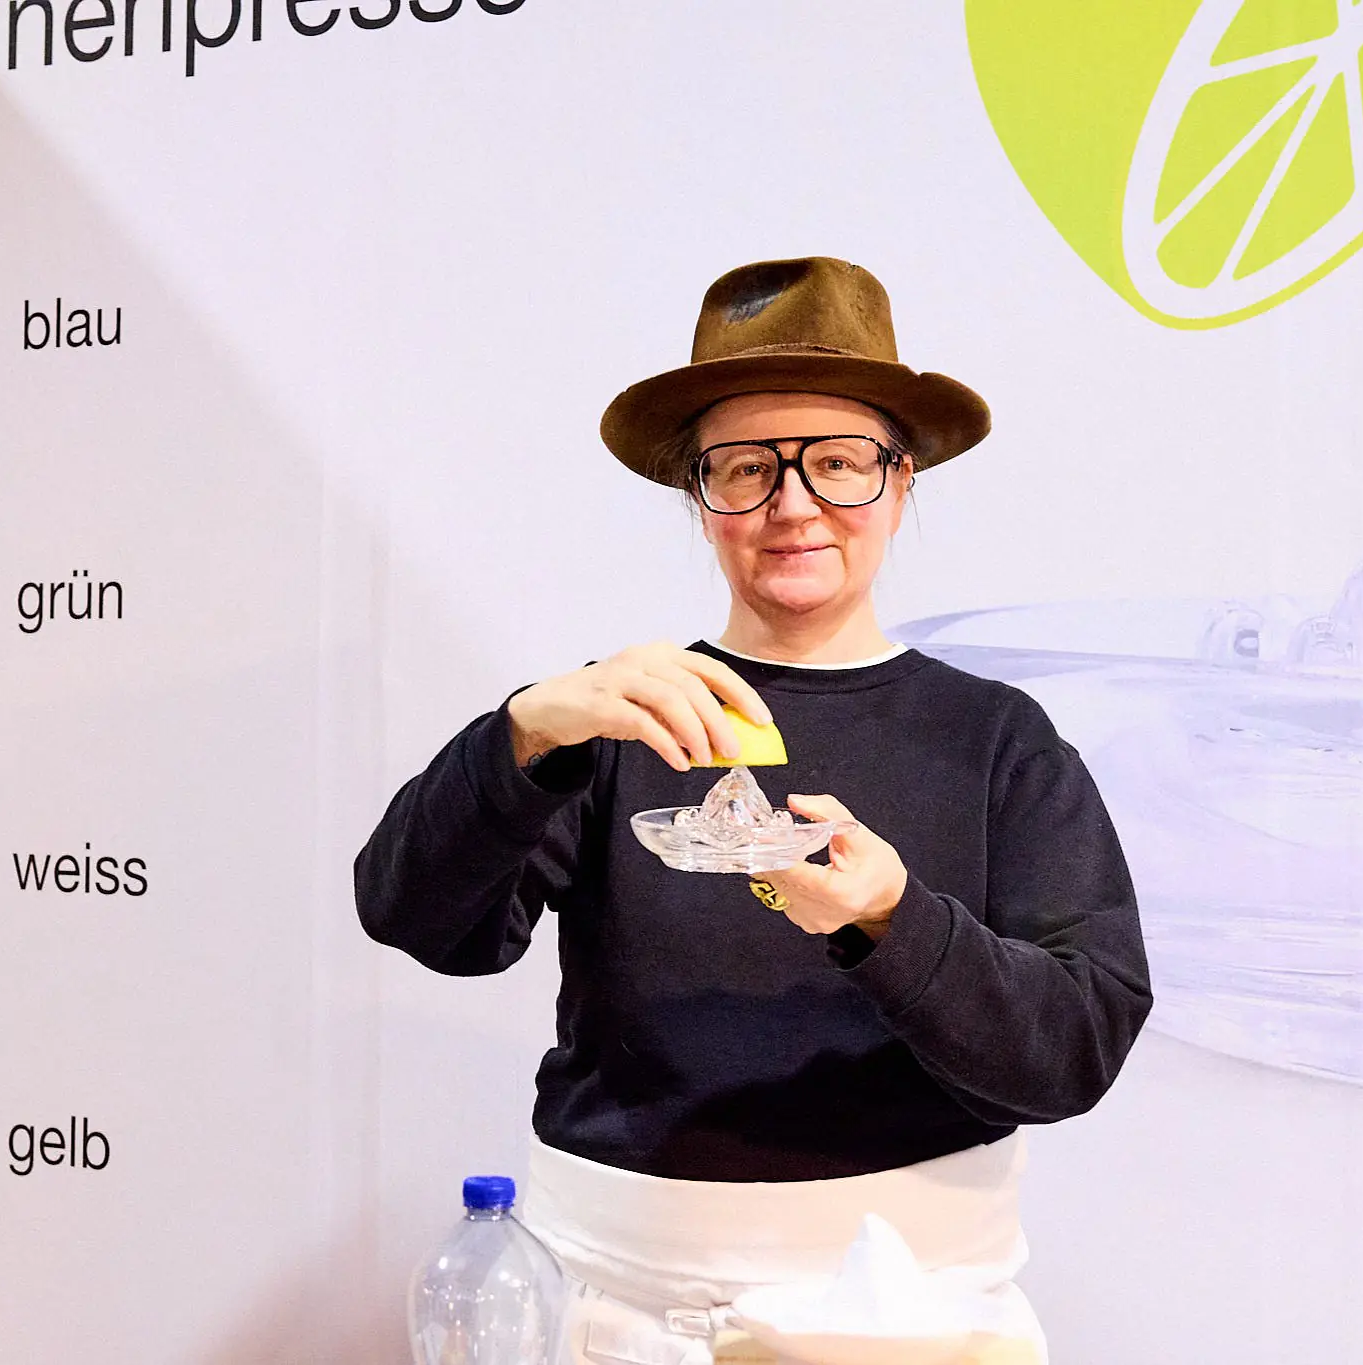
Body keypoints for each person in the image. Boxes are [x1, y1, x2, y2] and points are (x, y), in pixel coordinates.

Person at [355, 256, 1150, 1365]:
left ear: (901, 484)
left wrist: (891, 919)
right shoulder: (621, 714)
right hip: (616, 1310)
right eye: (744, 470)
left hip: (910, 1319)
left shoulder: (994, 740)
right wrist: (525, 729)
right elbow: (415, 919)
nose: (792, 506)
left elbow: (1072, 1051)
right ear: (701, 502)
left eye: (838, 464)